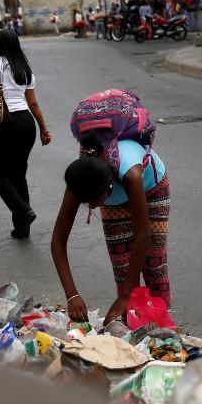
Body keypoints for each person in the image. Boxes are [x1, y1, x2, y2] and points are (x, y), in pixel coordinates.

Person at [50, 120, 170, 325]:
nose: (93, 207)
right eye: (86, 203)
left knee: (154, 264)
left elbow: (143, 236)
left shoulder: (130, 174)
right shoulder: (80, 181)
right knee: (123, 267)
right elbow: (58, 243)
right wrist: (72, 295)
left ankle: (161, 326)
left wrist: (125, 297)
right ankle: (131, 324)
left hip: (151, 189)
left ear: (108, 185)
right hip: (114, 194)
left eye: (95, 201)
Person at [0, 28, 51, 239]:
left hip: (4, 124)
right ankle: (22, 228)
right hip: (26, 124)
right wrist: (44, 129)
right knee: (18, 175)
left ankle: (24, 212)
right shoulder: (24, 68)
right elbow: (32, 102)